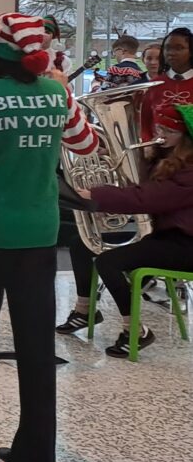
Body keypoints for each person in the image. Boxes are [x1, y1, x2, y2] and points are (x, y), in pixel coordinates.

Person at [0, 12, 98, 462]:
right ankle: (36, 451)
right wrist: (62, 87)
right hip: (39, 238)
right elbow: (87, 144)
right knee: (36, 348)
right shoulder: (56, 93)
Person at [75, 104, 193, 358]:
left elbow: (148, 198)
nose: (159, 133)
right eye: (159, 127)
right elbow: (143, 190)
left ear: (184, 137)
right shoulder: (170, 159)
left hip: (185, 245)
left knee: (109, 262)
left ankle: (136, 332)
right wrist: (142, 159)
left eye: (168, 130)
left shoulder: (190, 171)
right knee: (110, 260)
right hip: (169, 239)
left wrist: (97, 195)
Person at [140, 28, 193, 143]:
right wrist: (147, 145)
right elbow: (145, 122)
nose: (171, 53)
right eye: (167, 48)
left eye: (179, 48)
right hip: (159, 155)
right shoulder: (155, 85)